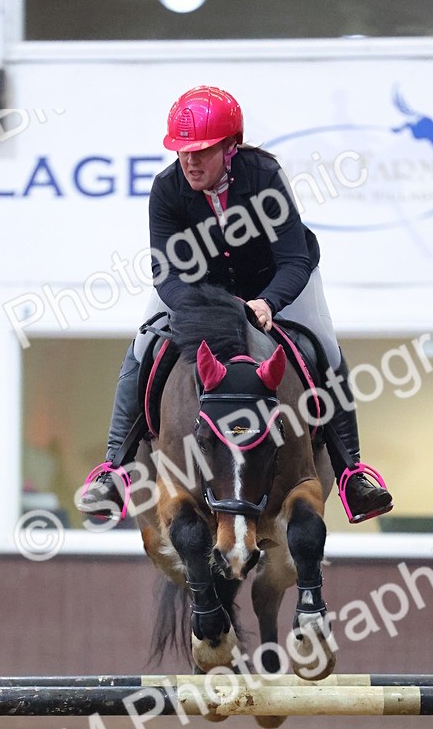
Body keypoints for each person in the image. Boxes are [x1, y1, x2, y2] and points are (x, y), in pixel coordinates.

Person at [79, 84, 393, 524]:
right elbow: (166, 273)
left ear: (230, 147)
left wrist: (268, 302)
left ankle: (352, 473)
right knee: (143, 348)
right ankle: (114, 470)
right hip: (199, 291)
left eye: (202, 151)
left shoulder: (263, 176)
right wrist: (198, 312)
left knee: (324, 347)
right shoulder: (168, 188)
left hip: (277, 281)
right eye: (183, 149)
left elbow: (293, 258)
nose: (189, 160)